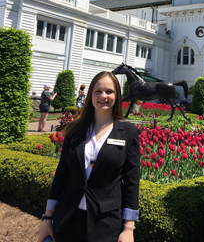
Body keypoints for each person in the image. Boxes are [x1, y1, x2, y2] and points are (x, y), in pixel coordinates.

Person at [37, 71, 140, 242]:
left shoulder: (127, 132)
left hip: (105, 223)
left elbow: (132, 182)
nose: (103, 96)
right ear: (91, 95)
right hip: (68, 218)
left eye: (109, 91)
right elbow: (61, 175)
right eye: (98, 91)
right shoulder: (75, 130)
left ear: (117, 96)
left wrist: (129, 227)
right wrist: (47, 218)